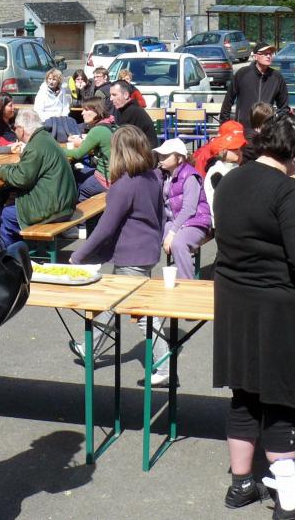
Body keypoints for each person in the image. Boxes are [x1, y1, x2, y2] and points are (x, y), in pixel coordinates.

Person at [212, 111, 295, 518]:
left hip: (236, 303)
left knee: (245, 394)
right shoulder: (290, 192)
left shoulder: (230, 181)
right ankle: (288, 503)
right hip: (281, 309)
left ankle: (242, 485)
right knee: (283, 400)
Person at [69, 126, 171, 386]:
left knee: (143, 315)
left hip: (130, 255)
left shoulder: (123, 185)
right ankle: (88, 348)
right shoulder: (153, 177)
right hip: (147, 251)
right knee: (112, 305)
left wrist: (78, 256)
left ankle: (164, 365)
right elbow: (161, 214)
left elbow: (105, 227)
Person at [0, 107, 77, 247]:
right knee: (10, 202)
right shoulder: (45, 138)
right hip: (63, 203)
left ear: (21, 129)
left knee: (4, 215)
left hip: (53, 208)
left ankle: (11, 260)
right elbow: (26, 171)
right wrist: (5, 169)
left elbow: (21, 178)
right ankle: (21, 252)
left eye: (15, 129)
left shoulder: (35, 146)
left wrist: (0, 169)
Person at [156, 137, 213, 280]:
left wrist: (172, 233)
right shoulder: (164, 175)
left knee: (178, 243)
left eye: (166, 155)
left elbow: (189, 209)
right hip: (176, 221)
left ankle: (187, 282)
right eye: (160, 155)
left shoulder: (190, 176)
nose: (161, 158)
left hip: (197, 221)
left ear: (179, 158)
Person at [220, 43, 289, 135]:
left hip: (266, 131)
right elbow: (228, 101)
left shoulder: (277, 77)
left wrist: (273, 118)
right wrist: (224, 125)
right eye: (265, 53)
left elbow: (284, 107)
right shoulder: (242, 74)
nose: (268, 56)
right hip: (243, 130)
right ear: (256, 56)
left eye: (270, 54)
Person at [65, 96, 115, 199]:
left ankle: (82, 212)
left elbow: (78, 154)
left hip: (106, 179)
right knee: (78, 171)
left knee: (79, 188)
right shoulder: (111, 123)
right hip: (117, 176)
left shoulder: (97, 130)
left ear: (97, 111)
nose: (82, 113)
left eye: (86, 109)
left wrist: (57, 149)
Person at [203, 121, 248, 210]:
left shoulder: (238, 168)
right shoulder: (216, 171)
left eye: (241, 148)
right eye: (234, 148)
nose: (239, 152)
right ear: (223, 150)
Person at [110, 80, 158, 148]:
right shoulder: (122, 109)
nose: (111, 98)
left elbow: (123, 139)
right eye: (110, 95)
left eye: (114, 95)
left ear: (126, 95)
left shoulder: (132, 111)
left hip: (144, 153)